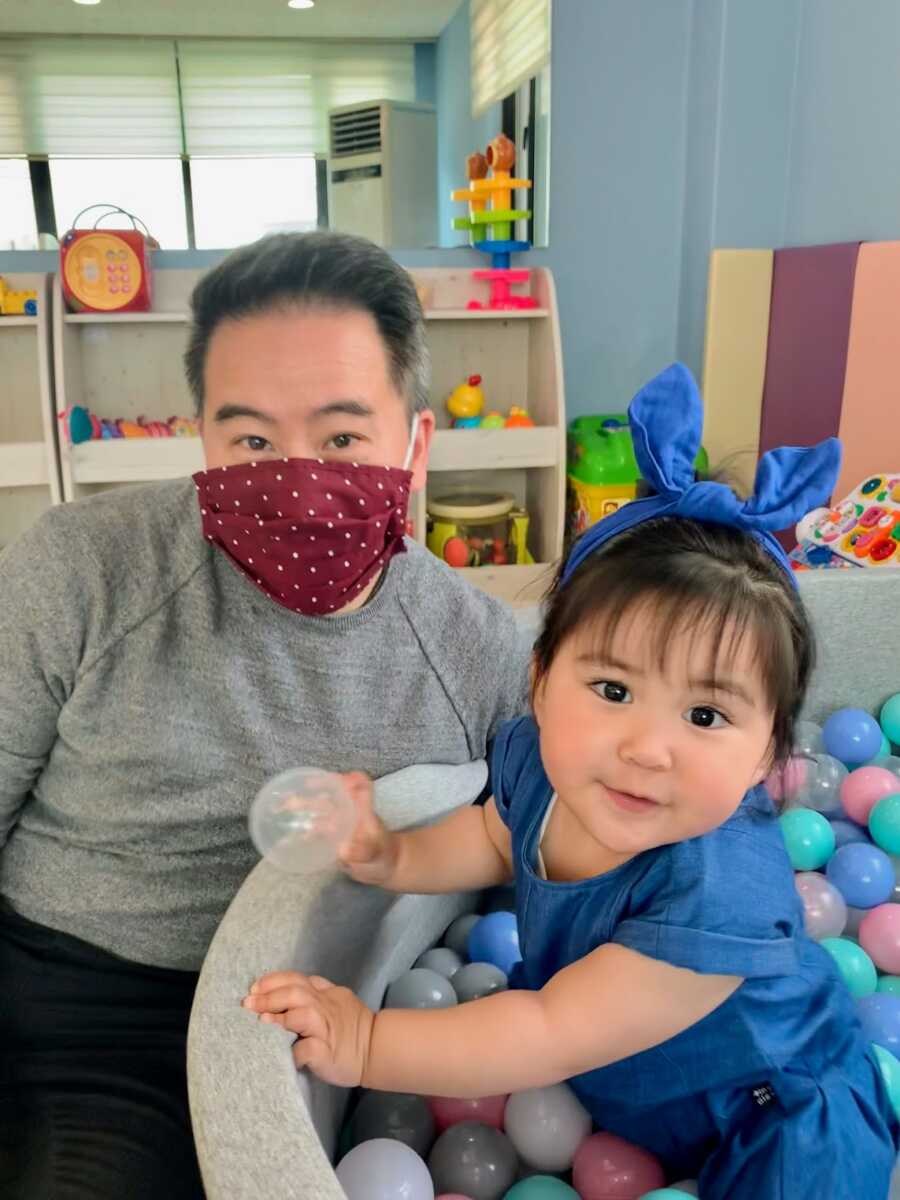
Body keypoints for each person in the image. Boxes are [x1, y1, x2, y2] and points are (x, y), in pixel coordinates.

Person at [244, 363, 899, 1199]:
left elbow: (548, 1029)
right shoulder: (542, 763)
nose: (647, 749)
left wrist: (368, 1043)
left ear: (770, 754)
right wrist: (392, 858)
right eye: (614, 690)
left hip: (770, 1109)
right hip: (627, 1080)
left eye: (705, 716)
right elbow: (490, 837)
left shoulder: (717, 889)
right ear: (542, 680)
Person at [0, 232, 529, 1200]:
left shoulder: (478, 648)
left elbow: (556, 832)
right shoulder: (80, 570)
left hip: (317, 1018)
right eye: (250, 440)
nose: (296, 476)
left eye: (341, 438)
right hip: (85, 1008)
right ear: (199, 431)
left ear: (416, 443)